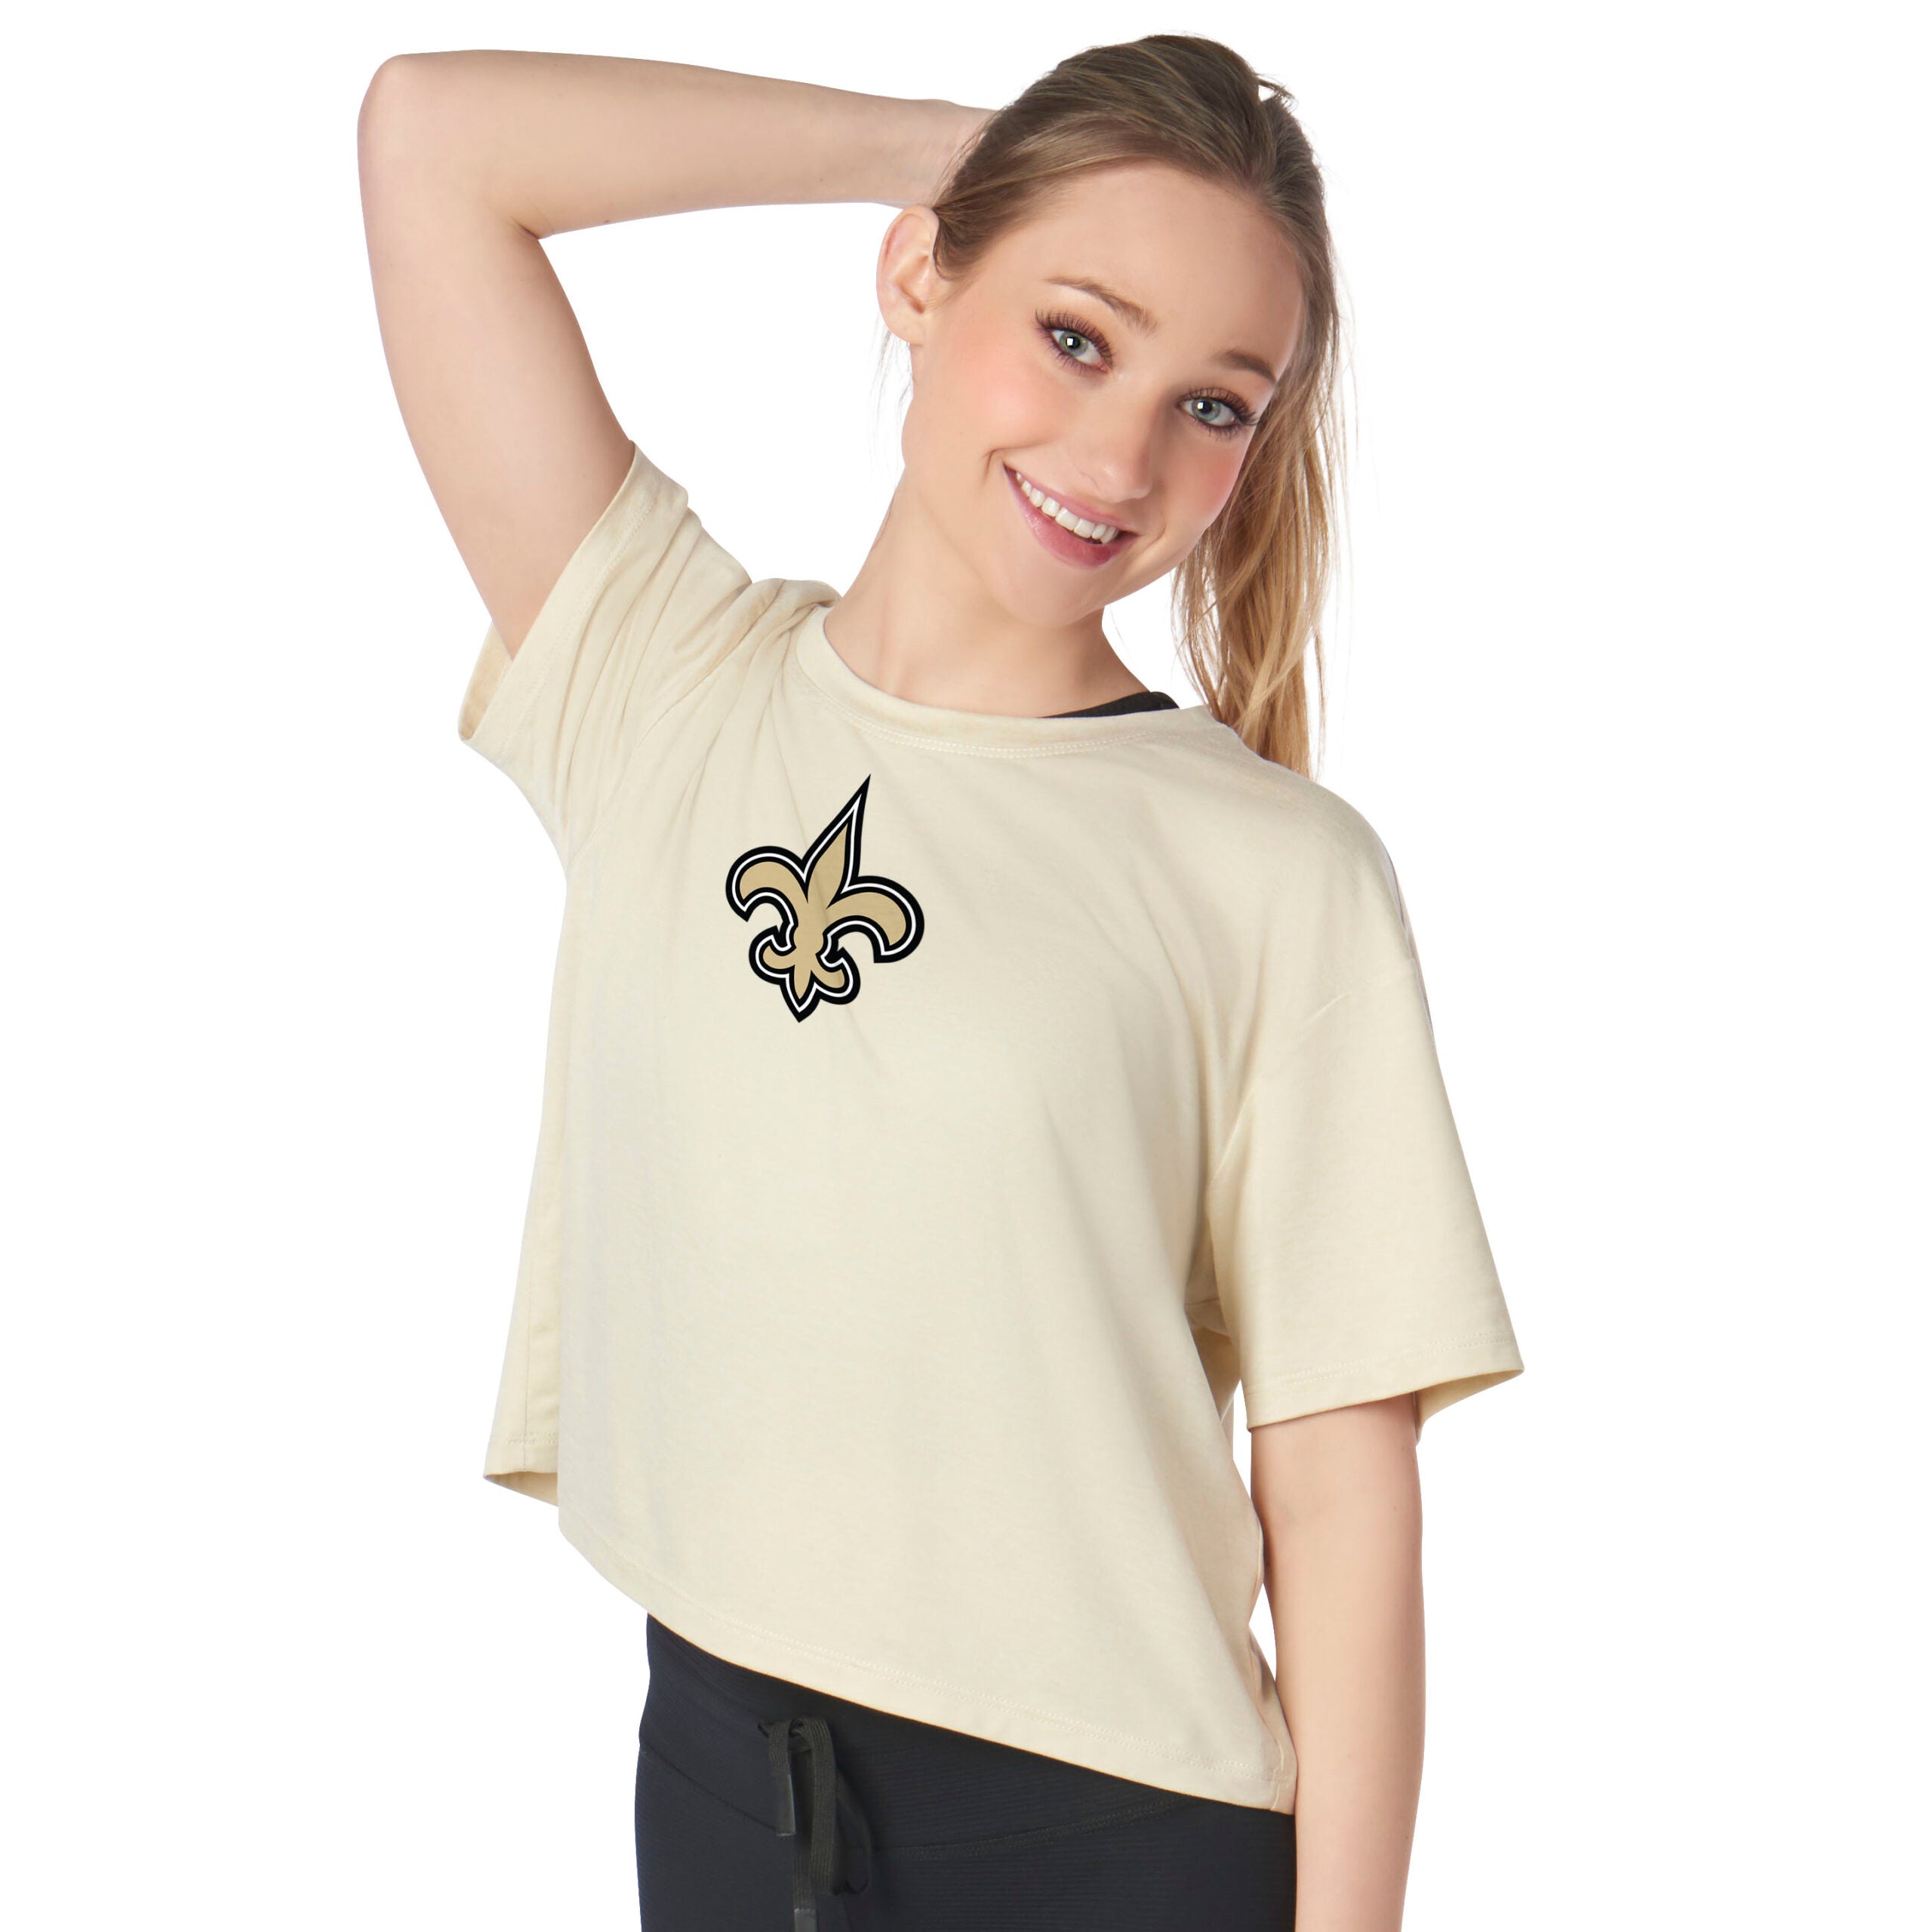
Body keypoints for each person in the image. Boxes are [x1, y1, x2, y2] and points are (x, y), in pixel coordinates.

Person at [358, 32, 1524, 1931]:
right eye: (1073, 333)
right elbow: (431, 140)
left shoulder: (1271, 873)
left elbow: (1336, 1487)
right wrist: (946, 151)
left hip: (1110, 1842)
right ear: (918, 273)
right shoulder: (663, 681)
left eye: (1210, 404)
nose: (1120, 458)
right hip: (723, 1790)